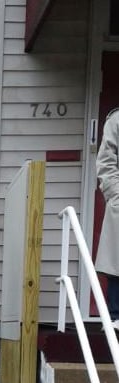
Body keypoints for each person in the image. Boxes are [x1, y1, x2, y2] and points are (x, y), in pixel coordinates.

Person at [96, 107, 119, 330]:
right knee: (118, 260)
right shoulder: (117, 121)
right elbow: (106, 161)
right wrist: (116, 195)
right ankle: (116, 318)